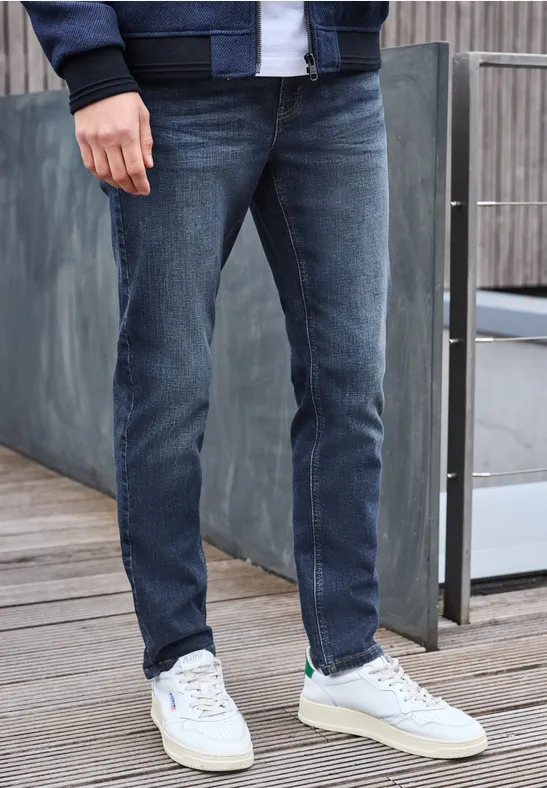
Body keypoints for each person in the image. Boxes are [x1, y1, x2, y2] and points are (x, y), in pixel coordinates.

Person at [25, 1, 487, 773]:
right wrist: (92, 68)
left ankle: (345, 662)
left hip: (336, 84)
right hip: (174, 86)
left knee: (350, 385)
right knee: (168, 387)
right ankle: (179, 656)